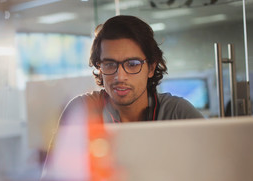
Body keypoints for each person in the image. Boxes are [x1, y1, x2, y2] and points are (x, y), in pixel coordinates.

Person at [58, 15, 203, 126]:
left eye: (132, 64)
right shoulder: (82, 110)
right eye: (109, 64)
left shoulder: (177, 112)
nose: (119, 76)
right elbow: (54, 165)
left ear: (151, 68)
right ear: (99, 68)